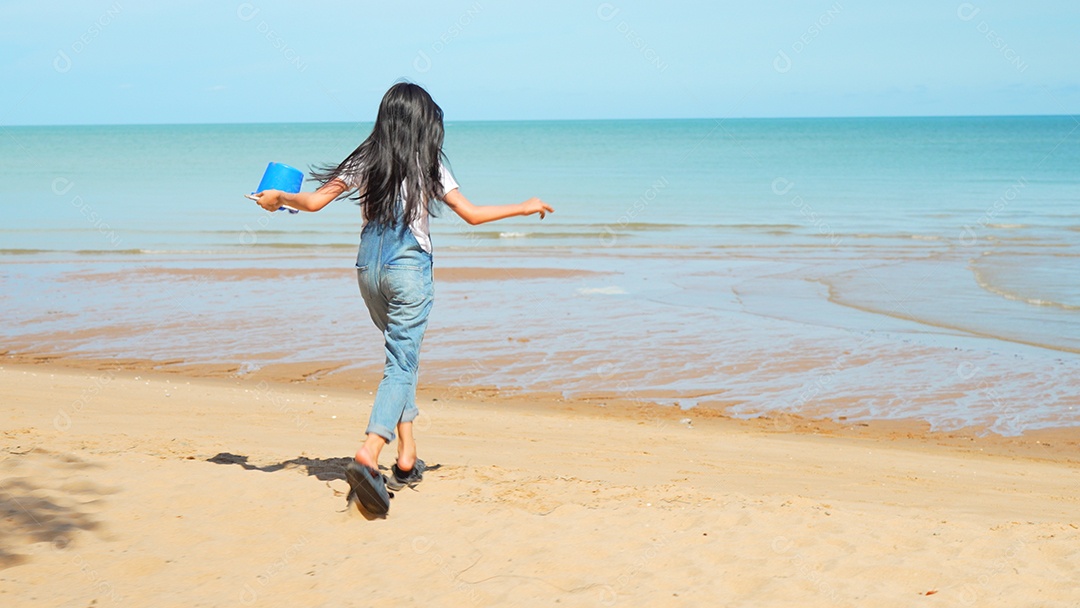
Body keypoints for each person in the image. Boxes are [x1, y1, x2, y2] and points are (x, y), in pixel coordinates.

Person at [251, 82, 553, 515]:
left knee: (400, 358)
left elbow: (314, 202)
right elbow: (471, 214)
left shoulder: (364, 158)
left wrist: (280, 197)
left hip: (367, 272)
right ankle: (370, 451)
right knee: (402, 362)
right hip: (408, 271)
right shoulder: (428, 163)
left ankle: (407, 456)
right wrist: (523, 206)